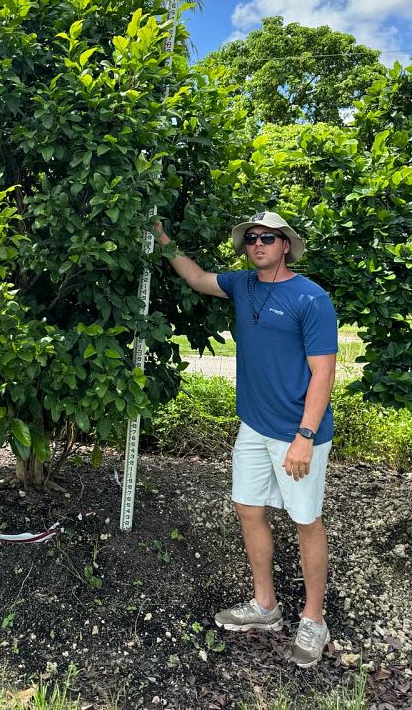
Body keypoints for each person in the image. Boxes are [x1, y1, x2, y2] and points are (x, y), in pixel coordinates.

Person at [153, 211, 338, 668]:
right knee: (249, 510)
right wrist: (161, 236)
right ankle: (266, 606)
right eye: (252, 237)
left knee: (305, 520)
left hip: (298, 432)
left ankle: (314, 619)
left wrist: (304, 436)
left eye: (269, 238)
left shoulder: (310, 298)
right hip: (253, 426)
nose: (259, 244)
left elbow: (324, 372)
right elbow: (196, 277)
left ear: (285, 245)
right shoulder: (242, 284)